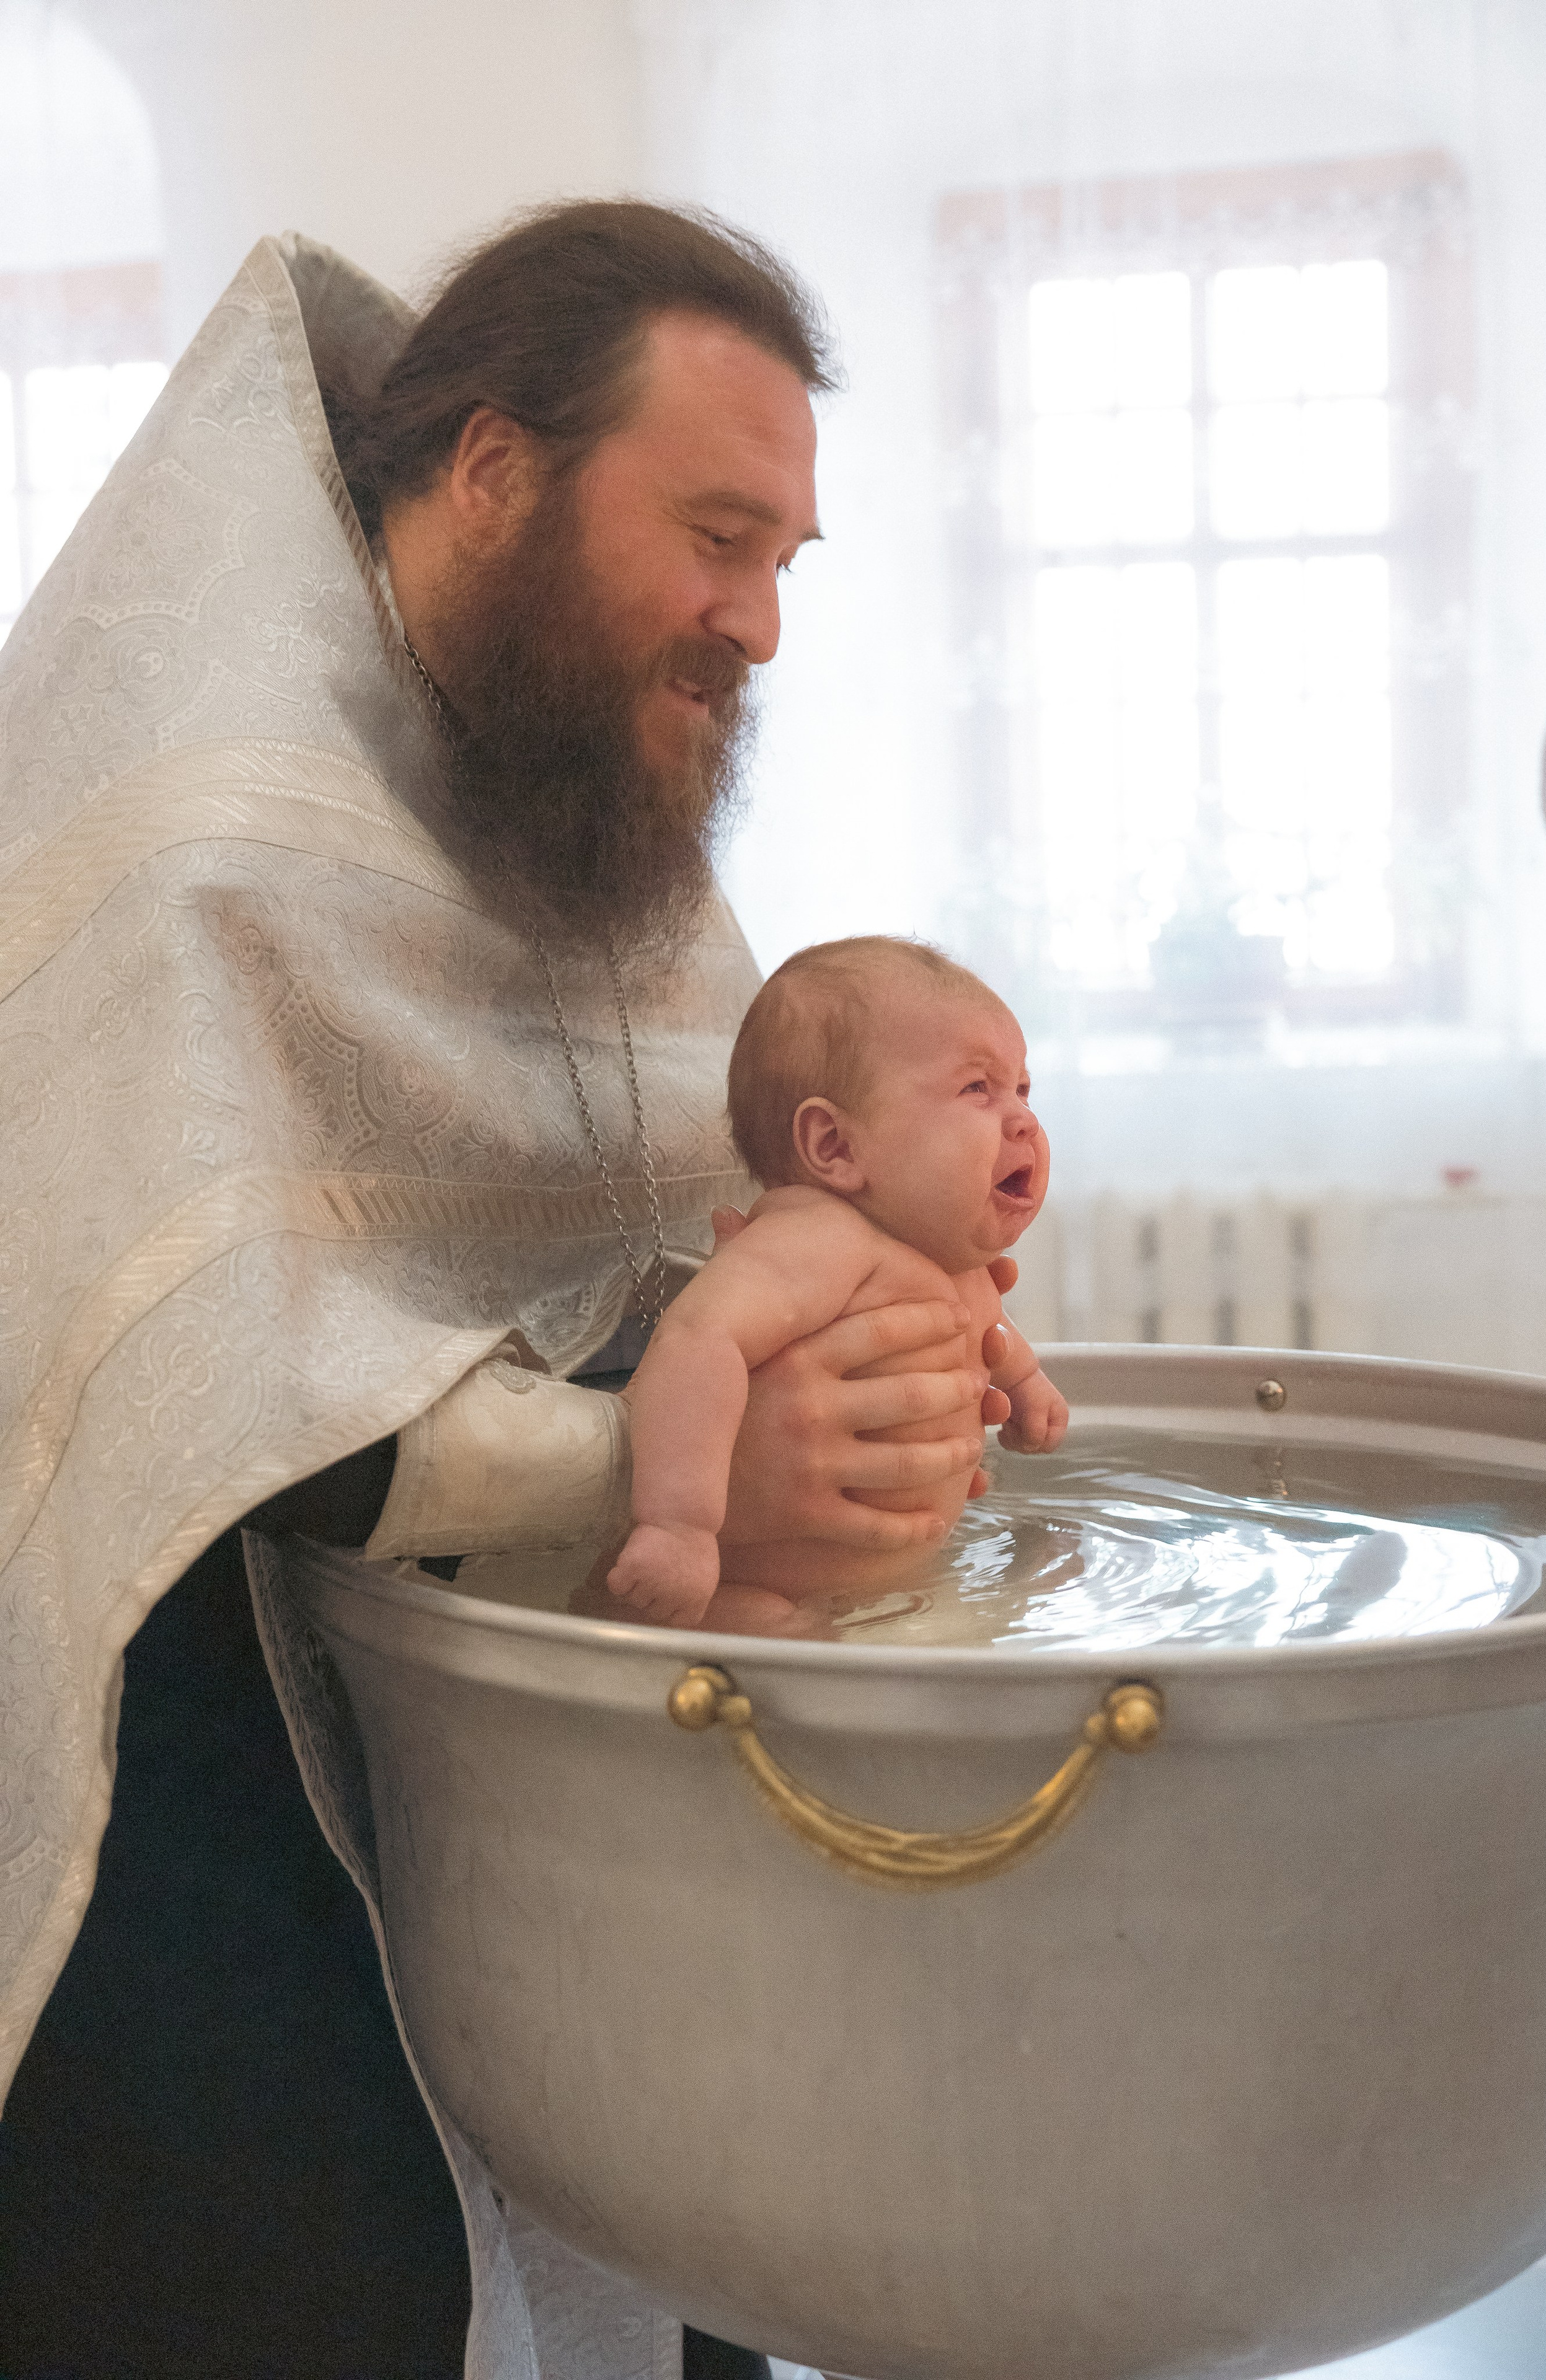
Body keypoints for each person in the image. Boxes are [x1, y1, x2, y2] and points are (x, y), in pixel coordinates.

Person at [0, 204, 1002, 2379]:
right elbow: (215, 1375)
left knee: (705, 2254)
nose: (756, 625)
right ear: (491, 472)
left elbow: (668, 1208)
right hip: (197, 1774)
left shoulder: (560, 781)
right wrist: (688, 1467)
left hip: (507, 1735)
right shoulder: (207, 817)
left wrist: (865, 1357)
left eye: (787, 565)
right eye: (718, 536)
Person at [607, 938, 1067, 1631]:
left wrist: (1029, 1389)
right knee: (762, 1637)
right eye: (977, 1087)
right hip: (754, 1592)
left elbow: (993, 1340)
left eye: (1022, 1089)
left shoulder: (950, 1257)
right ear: (835, 1147)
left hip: (901, 1583)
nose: (1023, 1118)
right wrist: (680, 1525)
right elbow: (700, 1339)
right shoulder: (815, 1240)